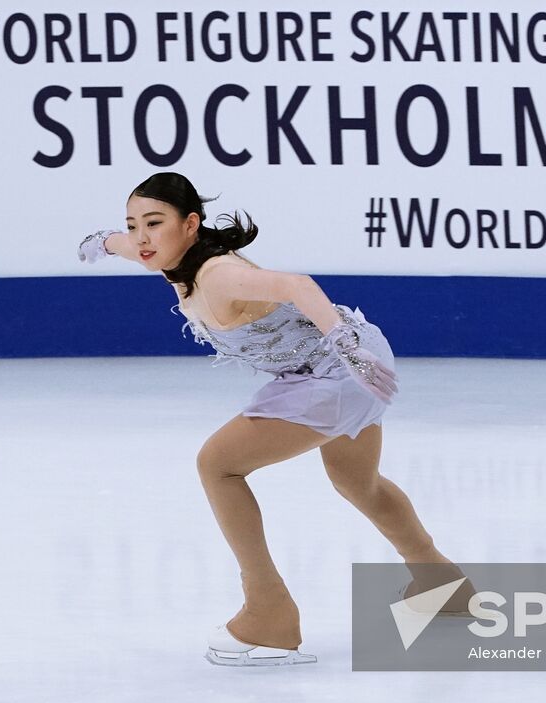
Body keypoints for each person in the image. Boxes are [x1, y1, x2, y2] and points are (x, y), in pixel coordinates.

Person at [78, 172, 470, 666]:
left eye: (154, 223)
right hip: (345, 362)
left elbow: (296, 285)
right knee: (357, 481)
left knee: (217, 464)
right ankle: (443, 584)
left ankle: (269, 615)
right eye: (133, 225)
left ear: (191, 224)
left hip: (339, 365)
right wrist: (100, 243)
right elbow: (126, 245)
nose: (141, 238)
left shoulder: (217, 273)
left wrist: (343, 345)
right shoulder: (169, 254)